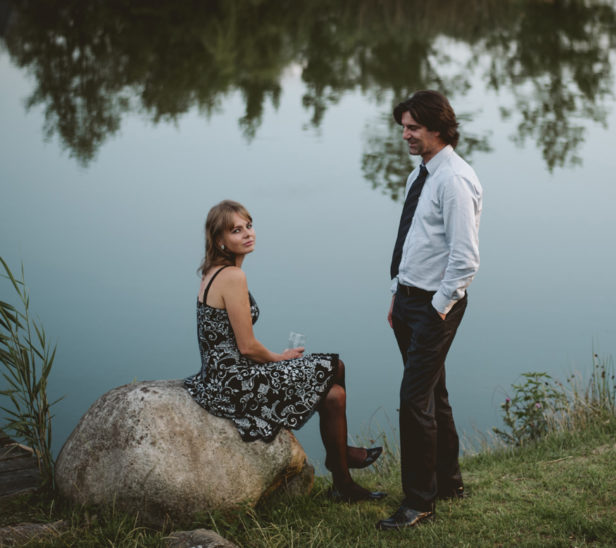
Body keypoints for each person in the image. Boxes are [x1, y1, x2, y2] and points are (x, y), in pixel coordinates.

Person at [185, 200, 386, 502]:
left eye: (248, 226)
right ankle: (341, 468)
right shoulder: (232, 277)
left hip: (220, 377)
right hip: (235, 384)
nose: (247, 234)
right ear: (219, 240)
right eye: (236, 230)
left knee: (335, 390)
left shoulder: (214, 271)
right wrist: (279, 358)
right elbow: (247, 346)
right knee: (336, 369)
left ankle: (341, 469)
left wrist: (273, 363)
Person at [377, 91, 482, 530]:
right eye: (403, 126)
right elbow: (416, 243)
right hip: (408, 300)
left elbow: (465, 260)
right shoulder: (420, 175)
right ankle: (448, 482)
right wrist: (397, 295)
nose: (405, 135)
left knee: (413, 397)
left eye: (413, 128)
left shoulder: (455, 180)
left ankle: (419, 502)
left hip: (436, 306)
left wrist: (437, 308)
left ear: (438, 128)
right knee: (433, 395)